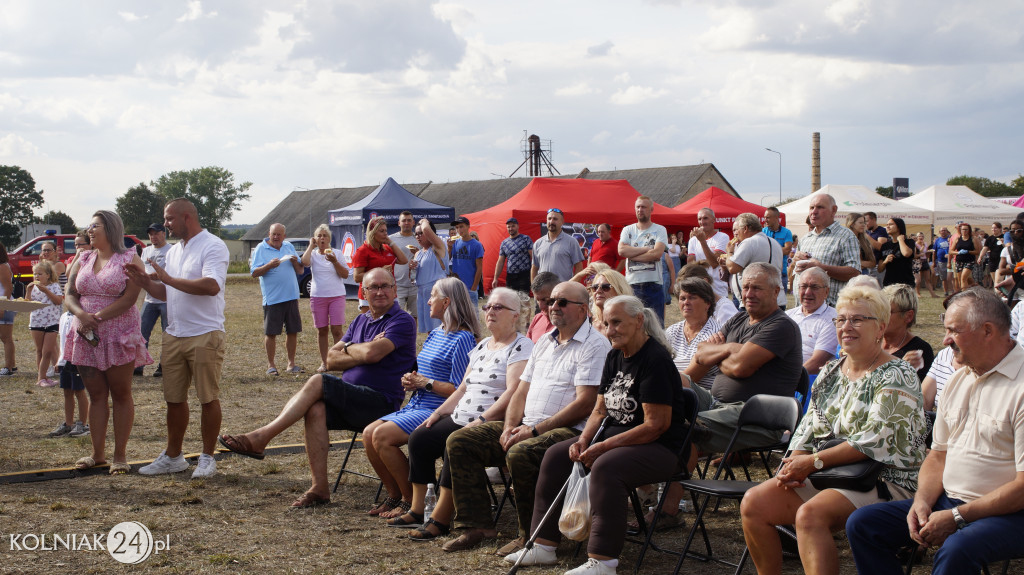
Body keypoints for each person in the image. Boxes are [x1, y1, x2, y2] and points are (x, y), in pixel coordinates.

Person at [741, 285, 926, 575]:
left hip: (885, 477)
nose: (846, 327)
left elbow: (874, 441)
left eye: (857, 320)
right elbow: (808, 425)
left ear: (880, 328)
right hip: (832, 472)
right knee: (754, 502)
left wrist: (812, 462)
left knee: (810, 515)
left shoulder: (897, 374)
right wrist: (794, 462)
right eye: (840, 320)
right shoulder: (830, 372)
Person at [505, 296, 689, 574]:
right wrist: (583, 440)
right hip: (618, 440)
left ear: (639, 320)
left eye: (617, 322)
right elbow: (600, 410)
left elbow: (655, 426)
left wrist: (602, 448)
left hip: (661, 449)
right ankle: (543, 545)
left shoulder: (655, 360)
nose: (610, 329)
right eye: (605, 323)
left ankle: (603, 562)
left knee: (606, 466)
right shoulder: (615, 355)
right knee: (555, 455)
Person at [846, 287, 1024, 575]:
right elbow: (937, 455)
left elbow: (1021, 489)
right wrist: (921, 503)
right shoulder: (959, 379)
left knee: (958, 549)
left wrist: (955, 517)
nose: (945, 340)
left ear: (988, 331)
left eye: (954, 330)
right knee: (864, 524)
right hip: (951, 501)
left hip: (1011, 513)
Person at [218, 268, 416, 509]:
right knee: (315, 410)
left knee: (318, 381)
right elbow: (331, 359)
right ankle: (319, 487)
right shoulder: (361, 320)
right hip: (351, 399)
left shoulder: (402, 320)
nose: (380, 292)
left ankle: (261, 437)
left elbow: (373, 354)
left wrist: (350, 349)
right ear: (363, 292)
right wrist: (359, 348)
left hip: (380, 403)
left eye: (385, 286)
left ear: (395, 290)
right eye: (373, 287)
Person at [444, 281, 609, 555]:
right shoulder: (544, 341)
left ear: (583, 310)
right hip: (527, 425)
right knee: (461, 440)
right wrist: (509, 427)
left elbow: (585, 403)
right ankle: (476, 525)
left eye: (562, 302)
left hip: (569, 431)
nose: (553, 306)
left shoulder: (594, 345)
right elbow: (521, 390)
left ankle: (531, 536)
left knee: (522, 453)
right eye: (551, 301)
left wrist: (533, 431)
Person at [657, 262, 803, 518]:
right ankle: (646, 487)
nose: (748, 294)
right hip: (716, 403)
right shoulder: (739, 317)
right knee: (670, 387)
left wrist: (721, 351)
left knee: (686, 430)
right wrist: (730, 349)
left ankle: (667, 511)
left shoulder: (780, 326)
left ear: (776, 292)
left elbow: (740, 369)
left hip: (756, 417)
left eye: (757, 288)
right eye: (745, 287)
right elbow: (701, 355)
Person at [403, 288, 533, 542]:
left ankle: (440, 518)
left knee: (458, 443)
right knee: (420, 437)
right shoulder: (483, 345)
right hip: (462, 415)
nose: (490, 311)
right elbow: (463, 388)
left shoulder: (521, 346)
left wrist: (483, 420)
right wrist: (438, 413)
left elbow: (512, 393)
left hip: (492, 421)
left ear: (515, 315)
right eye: (488, 307)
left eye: (498, 307)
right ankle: (419, 508)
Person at [122, 199, 231, 478]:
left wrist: (168, 280)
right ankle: (173, 456)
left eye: (169, 219)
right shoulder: (173, 252)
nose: (165, 224)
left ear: (186, 217)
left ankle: (207, 457)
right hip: (175, 333)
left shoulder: (213, 245)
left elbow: (211, 285)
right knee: (174, 399)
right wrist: (145, 282)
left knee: (207, 398)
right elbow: (167, 293)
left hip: (205, 333)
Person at [360, 278, 479, 523]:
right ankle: (394, 494)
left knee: (381, 436)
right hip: (417, 403)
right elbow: (426, 373)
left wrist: (424, 383)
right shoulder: (436, 333)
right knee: (369, 434)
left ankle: (410, 500)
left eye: (432, 295)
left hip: (439, 409)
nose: (427, 300)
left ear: (446, 302)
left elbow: (461, 389)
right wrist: (412, 380)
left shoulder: (463, 338)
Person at [64, 210, 152, 475]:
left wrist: (97, 317)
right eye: (89, 226)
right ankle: (97, 454)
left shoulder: (129, 258)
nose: (90, 231)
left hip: (118, 333)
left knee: (121, 393)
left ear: (111, 229)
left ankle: (120, 456)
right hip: (86, 335)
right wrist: (81, 315)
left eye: (96, 226)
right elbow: (69, 293)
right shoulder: (84, 257)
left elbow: (129, 298)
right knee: (97, 395)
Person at [250, 223, 304, 375]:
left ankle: (291, 364)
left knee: (292, 331)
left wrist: (295, 261)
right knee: (271, 333)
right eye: (273, 234)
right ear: (269, 233)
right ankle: (271, 365)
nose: (275, 237)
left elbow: (300, 270)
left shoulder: (288, 247)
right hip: (273, 298)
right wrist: (268, 265)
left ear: (284, 236)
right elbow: (254, 273)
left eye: (279, 234)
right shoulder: (261, 248)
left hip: (292, 296)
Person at [791, 193, 861, 306]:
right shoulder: (806, 238)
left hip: (830, 311)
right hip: (802, 310)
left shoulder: (845, 236)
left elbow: (854, 272)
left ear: (833, 210)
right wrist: (795, 262)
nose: (814, 212)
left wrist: (821, 268)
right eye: (811, 208)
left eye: (820, 207)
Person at [300, 224, 349, 373]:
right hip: (318, 296)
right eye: (319, 236)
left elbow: (345, 274)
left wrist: (334, 261)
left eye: (325, 235)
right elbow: (305, 262)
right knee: (322, 331)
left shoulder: (337, 253)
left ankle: (339, 361)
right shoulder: (313, 254)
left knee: (337, 330)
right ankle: (324, 362)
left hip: (336, 295)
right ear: (315, 239)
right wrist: (310, 246)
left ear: (329, 238)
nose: (322, 238)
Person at [619, 196, 669, 325]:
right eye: (638, 207)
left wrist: (632, 255)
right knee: (632, 325)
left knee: (656, 326)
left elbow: (657, 254)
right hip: (632, 285)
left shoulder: (660, 229)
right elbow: (622, 251)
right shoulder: (627, 230)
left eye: (644, 207)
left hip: (653, 284)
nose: (640, 210)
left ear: (651, 209)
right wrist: (646, 249)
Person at [726, 212, 786, 310]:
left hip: (755, 302)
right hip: (776, 300)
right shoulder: (775, 243)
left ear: (745, 228)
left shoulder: (749, 242)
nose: (736, 234)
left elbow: (732, 268)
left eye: (737, 230)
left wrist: (730, 253)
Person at [786, 267, 839, 377]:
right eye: (804, 286)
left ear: (826, 291)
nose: (807, 292)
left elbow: (816, 362)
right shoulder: (787, 315)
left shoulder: (833, 319)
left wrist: (787, 379)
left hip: (804, 381)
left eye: (814, 287)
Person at [351, 216, 409, 312]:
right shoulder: (362, 251)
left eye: (386, 231)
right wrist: (380, 271)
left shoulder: (387, 248)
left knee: (392, 323)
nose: (385, 234)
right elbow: (357, 277)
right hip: (370, 295)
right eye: (381, 231)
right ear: (373, 233)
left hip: (389, 293)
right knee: (373, 325)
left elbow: (404, 260)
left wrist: (391, 242)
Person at [136, 223, 172, 377]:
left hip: (166, 299)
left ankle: (164, 366)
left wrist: (147, 278)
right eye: (151, 234)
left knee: (168, 334)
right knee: (141, 333)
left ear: (163, 234)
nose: (153, 236)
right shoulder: (146, 251)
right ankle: (138, 365)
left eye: (156, 233)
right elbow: (141, 271)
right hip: (149, 300)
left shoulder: (171, 250)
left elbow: (166, 273)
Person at [881, 283, 934, 382]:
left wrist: (902, 370)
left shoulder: (919, 351)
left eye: (888, 312)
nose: (881, 316)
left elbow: (919, 393)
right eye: (879, 311)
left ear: (908, 316)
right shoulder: (870, 342)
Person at [27, 261, 63, 387]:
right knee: (39, 350)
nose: (36, 276)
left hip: (52, 322)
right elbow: (28, 304)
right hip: (37, 321)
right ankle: (42, 377)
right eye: (35, 274)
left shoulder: (54, 286)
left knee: (47, 351)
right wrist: (28, 291)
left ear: (48, 275)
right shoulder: (33, 287)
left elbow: (58, 301)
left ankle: (44, 376)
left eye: (40, 274)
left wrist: (46, 291)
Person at [411, 219, 448, 333]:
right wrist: (411, 267)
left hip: (436, 291)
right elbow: (414, 277)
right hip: (421, 292)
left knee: (439, 326)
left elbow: (426, 228)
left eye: (421, 233)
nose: (418, 236)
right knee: (428, 328)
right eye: (416, 234)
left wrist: (424, 221)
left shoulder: (438, 246)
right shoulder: (418, 253)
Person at [531, 208, 585, 284]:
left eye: (555, 219)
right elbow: (534, 268)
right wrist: (534, 288)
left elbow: (579, 267)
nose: (551, 222)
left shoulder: (571, 242)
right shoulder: (538, 243)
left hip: (563, 291)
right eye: (549, 219)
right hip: (543, 291)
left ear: (562, 222)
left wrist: (572, 286)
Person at [687, 207, 730, 299]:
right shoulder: (693, 240)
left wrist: (702, 242)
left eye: (705, 218)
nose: (702, 222)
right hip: (700, 286)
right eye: (699, 219)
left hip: (718, 288)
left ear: (713, 220)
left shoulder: (722, 237)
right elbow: (690, 264)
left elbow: (714, 263)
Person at [448, 216, 484, 308]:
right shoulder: (455, 243)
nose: (459, 230)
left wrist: (474, 287)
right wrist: (449, 248)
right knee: (457, 317)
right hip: (456, 287)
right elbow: (448, 260)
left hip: (469, 288)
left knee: (472, 318)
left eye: (461, 226)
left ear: (468, 226)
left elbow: (479, 268)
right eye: (457, 227)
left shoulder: (477, 245)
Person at [492, 217, 533, 293]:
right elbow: (500, 262)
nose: (511, 228)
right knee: (510, 300)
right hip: (510, 276)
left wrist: (535, 273)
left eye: (513, 226)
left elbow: (533, 257)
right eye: (509, 227)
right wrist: (495, 278)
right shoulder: (504, 243)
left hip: (524, 275)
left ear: (517, 226)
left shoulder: (526, 239)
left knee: (523, 300)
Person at [587, 269, 632, 337]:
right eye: (595, 287)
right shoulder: (584, 324)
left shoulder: (629, 323)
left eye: (605, 287)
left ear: (619, 290)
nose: (598, 291)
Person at [390, 211, 418, 317]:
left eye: (409, 220)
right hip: (398, 285)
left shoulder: (419, 238)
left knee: (414, 317)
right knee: (396, 316)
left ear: (413, 223)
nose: (406, 223)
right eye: (404, 220)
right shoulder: (391, 239)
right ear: (399, 223)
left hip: (415, 285)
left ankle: (412, 334)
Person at [876, 217, 916, 288]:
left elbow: (906, 254)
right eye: (887, 224)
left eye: (891, 224)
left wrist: (900, 240)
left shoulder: (909, 242)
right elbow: (880, 269)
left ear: (899, 227)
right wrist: (886, 261)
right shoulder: (885, 246)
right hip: (889, 283)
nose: (887, 226)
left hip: (905, 283)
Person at [921, 345, 959, 411]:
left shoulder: (981, 371)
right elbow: (924, 402)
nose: (946, 341)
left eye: (956, 334)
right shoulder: (944, 355)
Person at [762, 206, 794, 285]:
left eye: (768, 217)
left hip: (780, 273)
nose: (765, 220)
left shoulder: (786, 232)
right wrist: (779, 250)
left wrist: (768, 250)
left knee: (781, 297)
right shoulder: (763, 231)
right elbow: (760, 249)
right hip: (765, 271)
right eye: (765, 217)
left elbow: (787, 250)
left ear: (776, 218)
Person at [526, 272, 559, 342]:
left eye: (545, 299)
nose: (541, 306)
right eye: (537, 300)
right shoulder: (537, 318)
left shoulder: (570, 322)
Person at [952, 222, 981, 290]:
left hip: (969, 261)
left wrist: (968, 251)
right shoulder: (957, 239)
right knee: (959, 280)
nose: (964, 231)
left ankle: (965, 294)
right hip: (959, 261)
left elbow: (977, 251)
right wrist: (958, 252)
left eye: (966, 229)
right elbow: (951, 251)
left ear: (969, 230)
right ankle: (965, 291)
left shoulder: (973, 239)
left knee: (963, 277)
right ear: (960, 230)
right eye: (963, 229)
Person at [0, 242, 15, 377]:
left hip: (4, 305)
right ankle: (12, 364)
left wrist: (3, 306)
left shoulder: (2, 267)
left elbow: (7, 288)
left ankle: (8, 367)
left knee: (6, 338)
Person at [864, 211, 890, 282]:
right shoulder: (867, 232)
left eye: (867, 221)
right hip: (868, 265)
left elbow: (880, 247)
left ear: (874, 219)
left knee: (879, 289)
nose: (865, 224)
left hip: (878, 266)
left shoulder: (881, 231)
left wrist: (865, 235)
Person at [913, 232, 937, 297]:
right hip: (917, 262)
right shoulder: (915, 245)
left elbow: (925, 253)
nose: (921, 238)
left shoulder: (925, 243)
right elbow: (919, 252)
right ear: (917, 237)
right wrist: (923, 246)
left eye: (922, 236)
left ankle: (933, 294)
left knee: (928, 279)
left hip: (925, 261)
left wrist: (929, 252)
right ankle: (917, 293)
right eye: (919, 236)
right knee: (918, 280)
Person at [983, 222, 1004, 288]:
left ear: (1000, 228)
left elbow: (1007, 247)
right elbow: (985, 248)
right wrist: (980, 257)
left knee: (1000, 279)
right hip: (992, 260)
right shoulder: (989, 238)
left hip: (1001, 260)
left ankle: (1001, 292)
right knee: (995, 279)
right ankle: (997, 291)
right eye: (992, 228)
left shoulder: (1004, 237)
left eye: (995, 228)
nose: (993, 229)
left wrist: (1003, 243)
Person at [933, 227, 952, 295]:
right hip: (941, 261)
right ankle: (946, 292)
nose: (943, 232)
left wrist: (950, 255)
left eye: (944, 230)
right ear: (939, 232)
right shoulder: (938, 240)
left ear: (947, 231)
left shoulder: (950, 239)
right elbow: (934, 251)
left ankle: (953, 291)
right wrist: (934, 262)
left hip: (951, 261)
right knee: (943, 278)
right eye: (942, 231)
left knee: (950, 277)